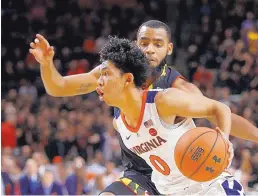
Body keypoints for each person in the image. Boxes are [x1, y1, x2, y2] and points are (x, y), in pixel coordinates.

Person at [29, 20, 257, 195]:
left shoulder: (175, 90)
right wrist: (47, 65)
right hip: (143, 173)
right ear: (135, 45)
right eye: (144, 43)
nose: (149, 49)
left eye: (157, 44)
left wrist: (246, 137)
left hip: (187, 174)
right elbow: (58, 87)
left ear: (169, 49)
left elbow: (218, 112)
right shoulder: (110, 73)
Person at [95, 36, 244, 195]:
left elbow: (219, 108)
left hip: (211, 187)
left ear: (128, 79)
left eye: (106, 74)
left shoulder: (163, 101)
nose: (99, 81)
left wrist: (224, 141)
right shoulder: (119, 124)